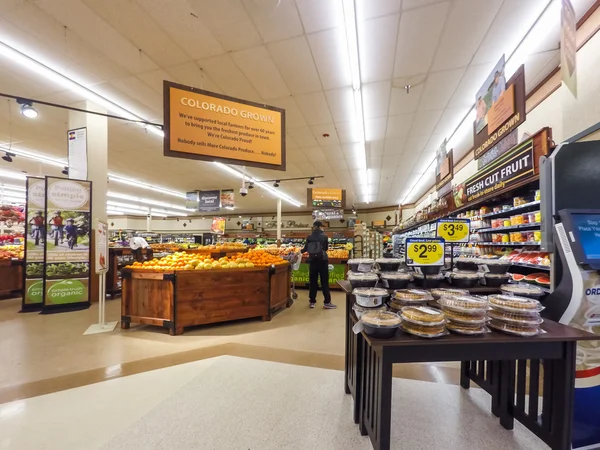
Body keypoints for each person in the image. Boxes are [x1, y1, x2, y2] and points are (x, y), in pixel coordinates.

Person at [301, 221, 336, 309]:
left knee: (313, 282)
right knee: (324, 282)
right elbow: (326, 248)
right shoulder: (324, 237)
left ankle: (312, 301)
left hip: (312, 261)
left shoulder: (309, 237)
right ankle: (327, 302)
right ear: (320, 227)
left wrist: (298, 252)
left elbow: (305, 249)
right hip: (322, 261)